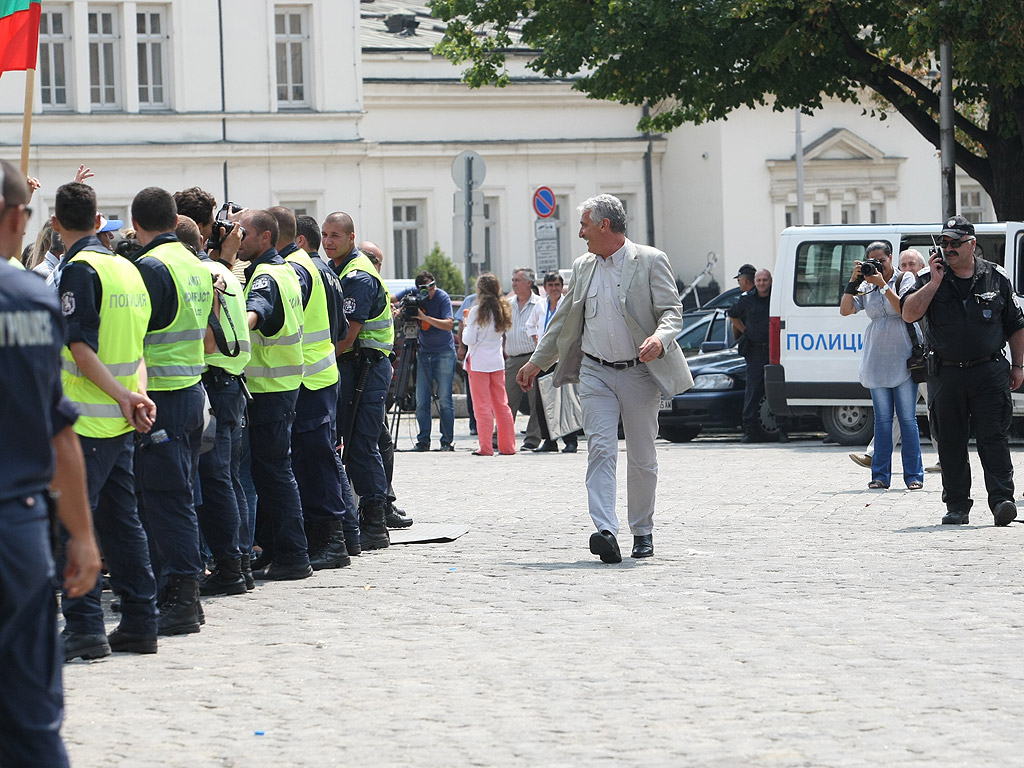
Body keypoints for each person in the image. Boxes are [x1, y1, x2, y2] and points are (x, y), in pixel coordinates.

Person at [517, 194, 692, 563]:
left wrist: (660, 339)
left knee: (642, 456)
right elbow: (563, 319)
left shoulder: (649, 260)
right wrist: (537, 363)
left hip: (639, 373)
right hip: (595, 372)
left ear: (603, 225)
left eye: (583, 225)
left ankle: (642, 531)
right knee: (600, 449)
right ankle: (606, 531)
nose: (579, 233)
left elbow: (673, 312)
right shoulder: (583, 267)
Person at [0, 160, 100, 767]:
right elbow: (58, 430)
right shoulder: (31, 300)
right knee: (31, 717)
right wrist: (83, 537)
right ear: (17, 218)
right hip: (15, 527)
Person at [51, 182, 161, 659]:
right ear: (100, 221)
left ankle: (85, 627)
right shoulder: (127, 268)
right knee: (122, 524)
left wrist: (121, 398)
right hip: (119, 419)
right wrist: (137, 395)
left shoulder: (78, 270)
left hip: (87, 421)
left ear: (56, 225)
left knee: (73, 526)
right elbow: (136, 348)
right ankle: (140, 621)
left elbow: (79, 348)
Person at [130, 186, 216, 634]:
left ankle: (181, 597)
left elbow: (135, 331)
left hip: (159, 394)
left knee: (166, 500)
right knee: (179, 494)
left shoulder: (151, 266)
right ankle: (181, 592)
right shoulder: (195, 263)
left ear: (138, 224)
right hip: (190, 391)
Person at [902, 215, 1024, 526]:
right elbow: (908, 313)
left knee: (993, 438)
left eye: (955, 243)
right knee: (951, 441)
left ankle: (1002, 501)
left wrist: (1019, 364)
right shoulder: (931, 277)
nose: (948, 248)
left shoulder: (995, 277)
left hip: (989, 372)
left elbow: (1015, 325)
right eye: (944, 243)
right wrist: (935, 282)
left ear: (971, 244)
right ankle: (957, 506)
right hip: (947, 374)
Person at [271, 206, 352, 569]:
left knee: (316, 463)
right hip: (318, 375)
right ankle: (339, 535)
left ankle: (333, 540)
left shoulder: (296, 268)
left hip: (309, 379)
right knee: (318, 461)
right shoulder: (308, 263)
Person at [236, 209, 314, 577]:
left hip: (269, 388)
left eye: (244, 233)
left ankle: (293, 556)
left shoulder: (267, 276)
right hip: (280, 386)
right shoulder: (283, 269)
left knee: (275, 474)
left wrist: (230, 322)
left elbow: (256, 314)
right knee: (273, 473)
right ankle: (279, 550)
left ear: (265, 237)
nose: (239, 238)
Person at [321, 211, 393, 550]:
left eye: (336, 235)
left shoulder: (359, 275)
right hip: (356, 365)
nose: (328, 241)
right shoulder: (339, 269)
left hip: (367, 366)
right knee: (354, 443)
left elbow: (347, 337)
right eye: (325, 235)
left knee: (362, 444)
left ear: (352, 238)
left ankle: (376, 522)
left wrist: (316, 362)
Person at [840, 242, 924, 490]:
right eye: (872, 261)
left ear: (891, 259)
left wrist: (883, 285)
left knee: (907, 419)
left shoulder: (905, 278)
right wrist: (853, 282)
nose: (877, 265)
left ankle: (913, 476)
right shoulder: (866, 284)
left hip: (904, 356)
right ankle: (880, 476)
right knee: (882, 420)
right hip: (877, 357)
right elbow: (845, 310)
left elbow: (905, 309)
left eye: (882, 261)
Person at [356, 239, 413, 530]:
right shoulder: (366, 281)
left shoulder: (371, 282)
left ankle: (382, 504)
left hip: (374, 368)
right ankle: (377, 508)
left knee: (379, 440)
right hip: (364, 370)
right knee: (373, 442)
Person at [392, 271, 457, 452]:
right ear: (418, 288)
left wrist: (423, 318)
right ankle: (423, 441)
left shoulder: (442, 297)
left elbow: (448, 324)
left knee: (444, 399)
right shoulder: (412, 293)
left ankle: (446, 441)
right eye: (425, 289)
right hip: (424, 352)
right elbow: (391, 298)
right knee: (421, 400)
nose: (430, 291)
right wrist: (396, 308)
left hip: (444, 353)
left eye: (432, 286)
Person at [729, 268, 788, 442]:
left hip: (774, 351)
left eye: (765, 280)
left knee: (777, 391)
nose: (762, 283)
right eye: (759, 280)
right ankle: (749, 431)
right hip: (755, 352)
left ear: (770, 281)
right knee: (753, 392)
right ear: (754, 282)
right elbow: (732, 315)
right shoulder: (746, 299)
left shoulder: (776, 299)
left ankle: (783, 430)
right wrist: (745, 330)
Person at [463, 273, 516, 456]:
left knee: (482, 406)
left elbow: (469, 339)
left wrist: (466, 323)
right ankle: (508, 446)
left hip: (478, 362)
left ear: (480, 290)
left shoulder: (476, 311)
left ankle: (485, 447)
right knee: (502, 405)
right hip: (496, 361)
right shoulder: (503, 308)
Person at [525, 271, 578, 453]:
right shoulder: (540, 306)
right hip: (542, 359)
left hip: (562, 358)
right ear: (545, 287)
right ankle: (549, 440)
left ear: (562, 287)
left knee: (565, 400)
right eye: (550, 285)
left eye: (557, 285)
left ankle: (570, 441)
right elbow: (530, 325)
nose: (554, 289)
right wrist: (537, 342)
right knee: (542, 401)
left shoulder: (567, 305)